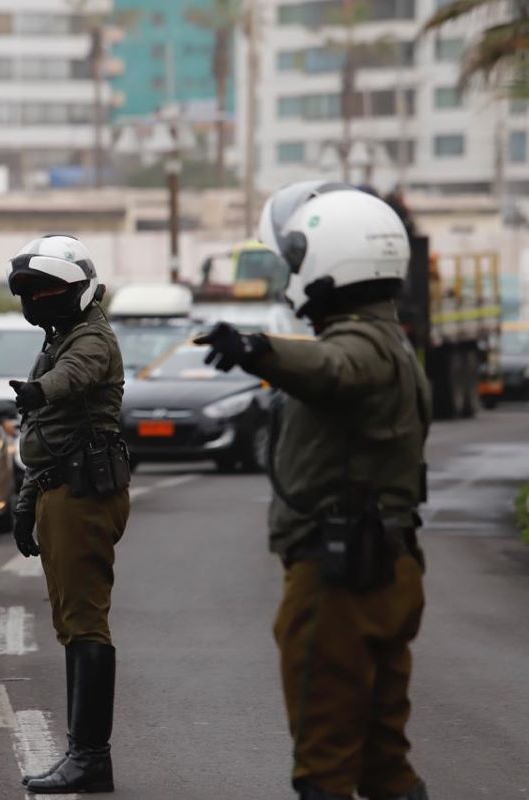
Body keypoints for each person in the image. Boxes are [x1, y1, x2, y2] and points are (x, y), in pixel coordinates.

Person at [195, 182, 431, 800]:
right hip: (381, 561)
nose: (292, 273)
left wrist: (257, 349)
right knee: (384, 760)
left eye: (297, 258)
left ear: (332, 260)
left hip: (341, 577)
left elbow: (334, 370)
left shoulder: (363, 348)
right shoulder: (389, 339)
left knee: (323, 761)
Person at [6, 234, 132, 795]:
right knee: (70, 626)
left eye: (48, 289)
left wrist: (39, 390)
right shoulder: (59, 338)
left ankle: (90, 757)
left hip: (85, 496)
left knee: (84, 625)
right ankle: (84, 755)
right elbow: (49, 439)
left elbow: (74, 377)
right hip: (61, 490)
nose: (37, 300)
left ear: (79, 289)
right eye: (29, 291)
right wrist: (26, 501)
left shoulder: (90, 338)